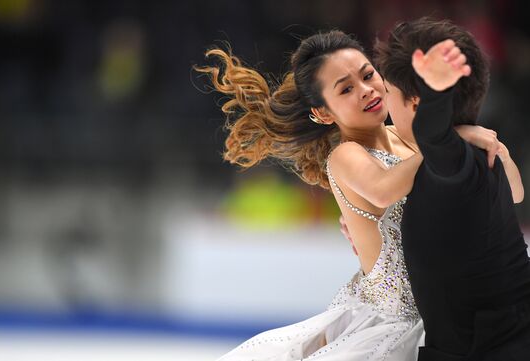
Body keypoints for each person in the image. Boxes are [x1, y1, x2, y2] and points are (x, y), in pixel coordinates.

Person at [195, 25, 520, 360]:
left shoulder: (409, 135)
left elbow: (512, 194)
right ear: (322, 113)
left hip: (446, 310)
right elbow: (382, 191)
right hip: (393, 325)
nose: (366, 90)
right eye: (346, 89)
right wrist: (451, 140)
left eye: (368, 74)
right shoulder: (346, 156)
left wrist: (496, 150)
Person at [371, 18, 529, 360]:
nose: (384, 107)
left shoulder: (460, 164)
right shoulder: (479, 153)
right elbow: (517, 195)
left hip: (493, 347)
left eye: (388, 93)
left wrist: (436, 92)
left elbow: (434, 137)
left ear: (416, 103)